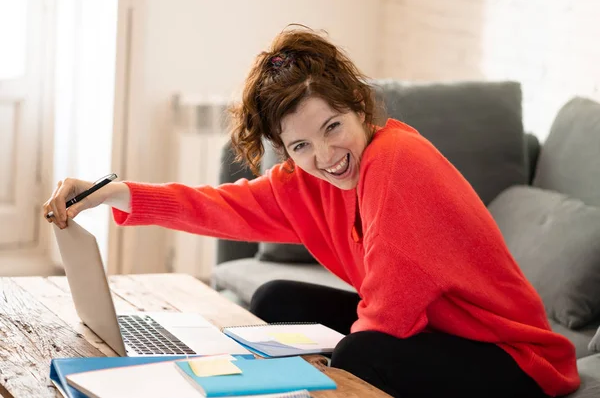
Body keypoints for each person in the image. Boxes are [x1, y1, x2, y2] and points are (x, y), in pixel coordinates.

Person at [44, 26, 579, 398]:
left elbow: (388, 315)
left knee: (359, 356)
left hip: (514, 361)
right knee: (276, 296)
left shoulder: (398, 162)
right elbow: (219, 206)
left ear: (360, 109)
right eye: (299, 146)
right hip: (439, 335)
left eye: (332, 127)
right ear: (285, 149)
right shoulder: (308, 182)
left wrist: (315, 372)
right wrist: (110, 192)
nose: (324, 158)